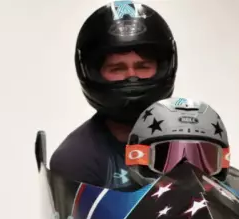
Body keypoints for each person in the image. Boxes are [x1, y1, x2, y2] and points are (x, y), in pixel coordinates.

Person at [49, 1, 178, 189]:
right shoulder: (76, 159)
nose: (132, 77)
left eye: (143, 67)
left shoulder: (194, 142)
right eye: (117, 68)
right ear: (93, 73)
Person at [124, 97, 239, 219]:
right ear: (137, 157)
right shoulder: (121, 205)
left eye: (204, 159)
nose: (188, 172)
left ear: (223, 162)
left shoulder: (235, 211)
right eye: (169, 157)